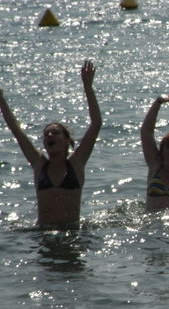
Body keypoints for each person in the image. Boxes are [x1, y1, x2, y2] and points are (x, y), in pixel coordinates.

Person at [0, 60, 102, 229]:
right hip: (43, 235)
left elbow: (96, 123)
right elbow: (16, 130)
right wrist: (1, 100)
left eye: (55, 133)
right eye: (46, 134)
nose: (49, 135)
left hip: (72, 233)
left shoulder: (76, 163)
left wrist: (88, 87)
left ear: (67, 141)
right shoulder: (39, 164)